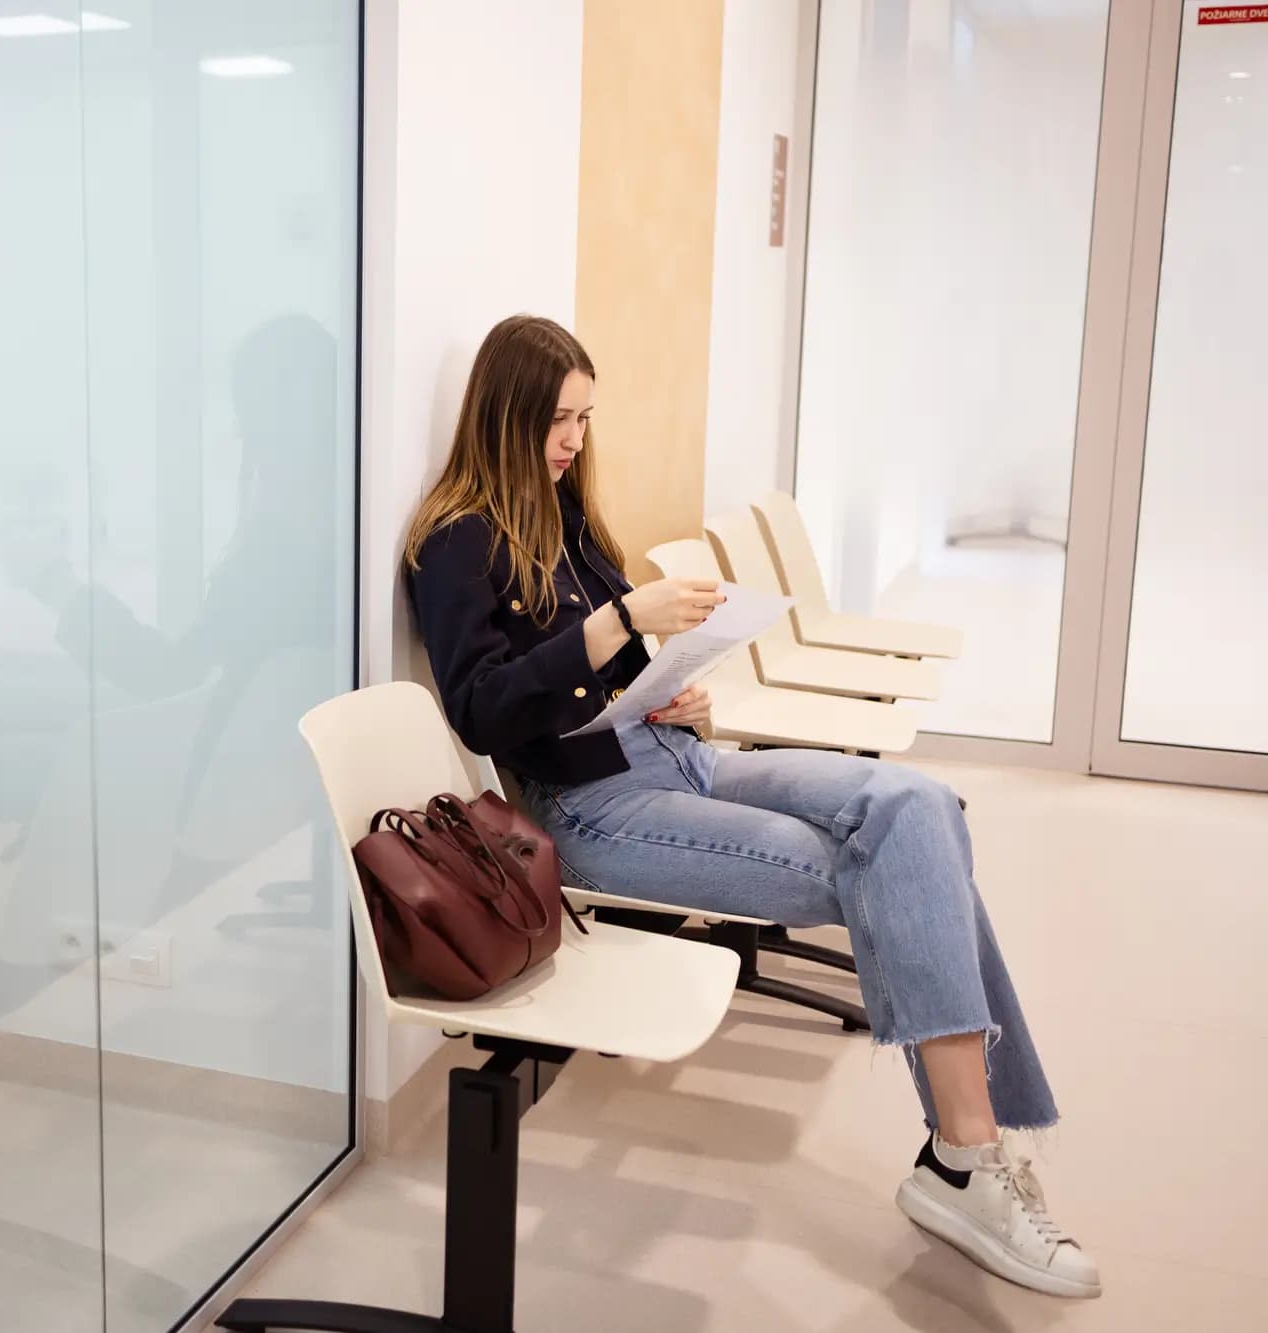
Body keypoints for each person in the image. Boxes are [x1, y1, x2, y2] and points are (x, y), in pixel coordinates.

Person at [403, 314, 1100, 1300]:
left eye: (584, 419)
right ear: (505, 413)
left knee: (916, 804)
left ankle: (960, 1158)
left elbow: (619, 671)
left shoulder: (565, 519)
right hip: (588, 806)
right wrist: (615, 625)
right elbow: (479, 705)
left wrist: (676, 688)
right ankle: (966, 1158)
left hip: (672, 756)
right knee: (903, 864)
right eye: (557, 419)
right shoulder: (454, 541)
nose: (572, 440)